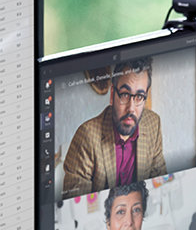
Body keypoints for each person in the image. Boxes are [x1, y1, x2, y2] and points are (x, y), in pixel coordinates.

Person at [62, 57, 167, 199]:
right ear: (112, 95)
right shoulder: (86, 137)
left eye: (139, 97)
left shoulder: (153, 124)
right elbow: (78, 203)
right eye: (124, 94)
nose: (131, 108)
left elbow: (159, 186)